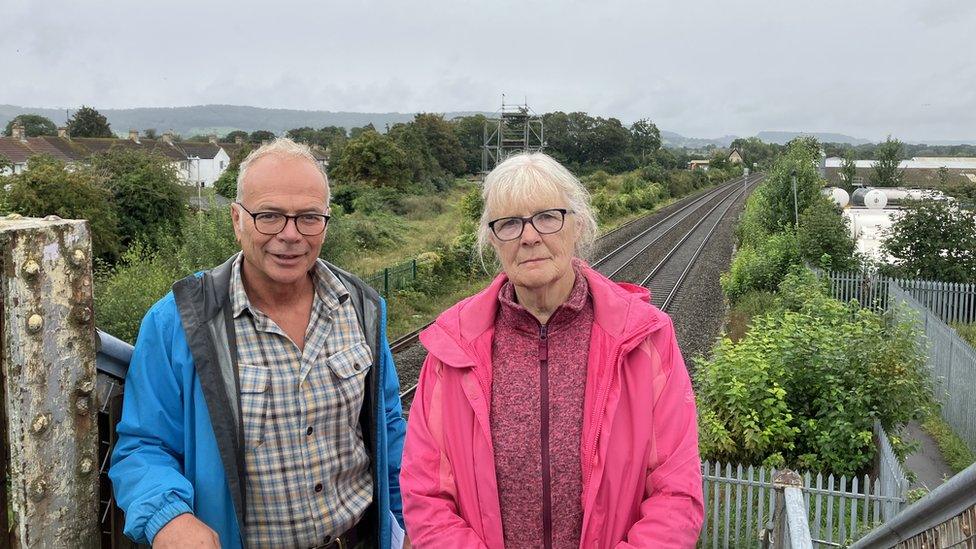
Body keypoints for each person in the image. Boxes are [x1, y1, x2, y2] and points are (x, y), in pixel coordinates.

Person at [110, 138, 406, 548]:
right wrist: (168, 519)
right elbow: (144, 446)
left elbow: (389, 429)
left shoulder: (363, 307)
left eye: (308, 218)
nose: (290, 235)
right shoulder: (177, 322)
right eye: (268, 216)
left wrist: (413, 524)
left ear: (326, 221)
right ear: (236, 219)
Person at [400, 152, 703, 548]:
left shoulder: (646, 338)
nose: (529, 237)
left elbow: (675, 491)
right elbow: (426, 495)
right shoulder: (452, 347)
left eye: (547, 217)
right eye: (509, 223)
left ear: (577, 225)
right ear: (492, 239)